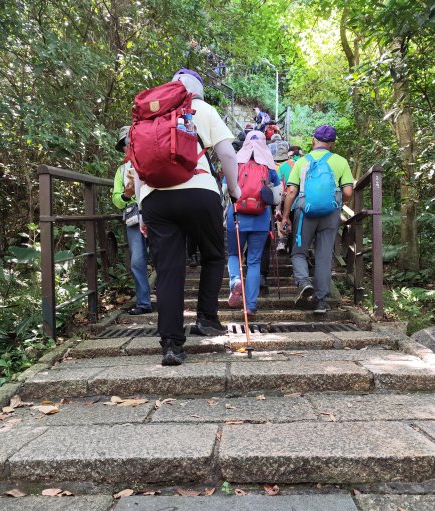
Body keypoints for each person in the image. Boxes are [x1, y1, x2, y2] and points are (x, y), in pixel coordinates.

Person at [135, 68, 240, 366]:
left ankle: (171, 344)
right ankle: (206, 317)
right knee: (213, 254)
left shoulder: (149, 115)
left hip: (155, 198)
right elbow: (227, 154)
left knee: (168, 270)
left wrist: (143, 208)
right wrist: (234, 190)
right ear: (198, 91)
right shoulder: (202, 108)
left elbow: (139, 165)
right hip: (198, 191)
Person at [281, 125, 353, 314]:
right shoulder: (340, 161)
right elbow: (347, 192)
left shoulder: (302, 161)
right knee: (323, 255)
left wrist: (286, 217)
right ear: (332, 144)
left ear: (313, 140)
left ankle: (304, 283)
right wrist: (336, 203)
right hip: (330, 214)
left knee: (299, 252)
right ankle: (321, 302)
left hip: (305, 212)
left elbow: (291, 192)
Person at [227, 130, 282, 315]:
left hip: (236, 216)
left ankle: (235, 280)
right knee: (254, 261)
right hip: (261, 218)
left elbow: (225, 188)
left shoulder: (235, 161)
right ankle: (250, 306)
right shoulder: (269, 166)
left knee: (235, 254)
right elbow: (277, 196)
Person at [112, 126, 152, 316]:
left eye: (130, 143)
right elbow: (117, 200)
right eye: (125, 144)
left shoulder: (152, 160)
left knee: (163, 256)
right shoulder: (121, 171)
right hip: (133, 217)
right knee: (137, 260)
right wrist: (127, 194)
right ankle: (144, 302)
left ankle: (170, 299)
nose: (128, 147)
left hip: (153, 212)